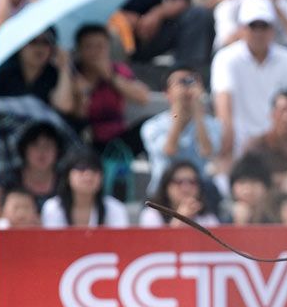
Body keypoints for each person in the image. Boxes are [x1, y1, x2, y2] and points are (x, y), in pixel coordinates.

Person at [211, 0, 287, 160]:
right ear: (242, 29)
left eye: (264, 26)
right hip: (243, 135)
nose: (259, 33)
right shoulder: (225, 58)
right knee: (225, 128)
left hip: (281, 134)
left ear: (272, 29)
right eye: (253, 26)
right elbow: (223, 104)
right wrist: (227, 136)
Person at [68, 24, 151, 154]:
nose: (95, 52)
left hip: (117, 138)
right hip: (85, 137)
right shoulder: (72, 74)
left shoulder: (117, 70)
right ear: (79, 49)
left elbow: (143, 98)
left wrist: (110, 77)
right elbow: (78, 116)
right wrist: (83, 94)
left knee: (148, 124)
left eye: (100, 46)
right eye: (89, 46)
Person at [140, 66, 222, 194]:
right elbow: (169, 150)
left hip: (199, 192)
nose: (186, 88)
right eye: (180, 82)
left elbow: (207, 151)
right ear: (167, 93)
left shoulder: (212, 124)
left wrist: (198, 112)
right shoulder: (152, 126)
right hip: (163, 194)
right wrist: (178, 113)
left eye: (190, 81)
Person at [42, 152, 129, 228]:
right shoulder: (53, 207)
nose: (88, 175)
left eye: (94, 170)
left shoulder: (115, 208)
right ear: (67, 176)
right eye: (81, 169)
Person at [140, 161, 221, 228]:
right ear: (166, 186)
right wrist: (180, 219)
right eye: (179, 182)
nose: (186, 188)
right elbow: (155, 245)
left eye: (192, 182)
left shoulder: (207, 217)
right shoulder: (152, 215)